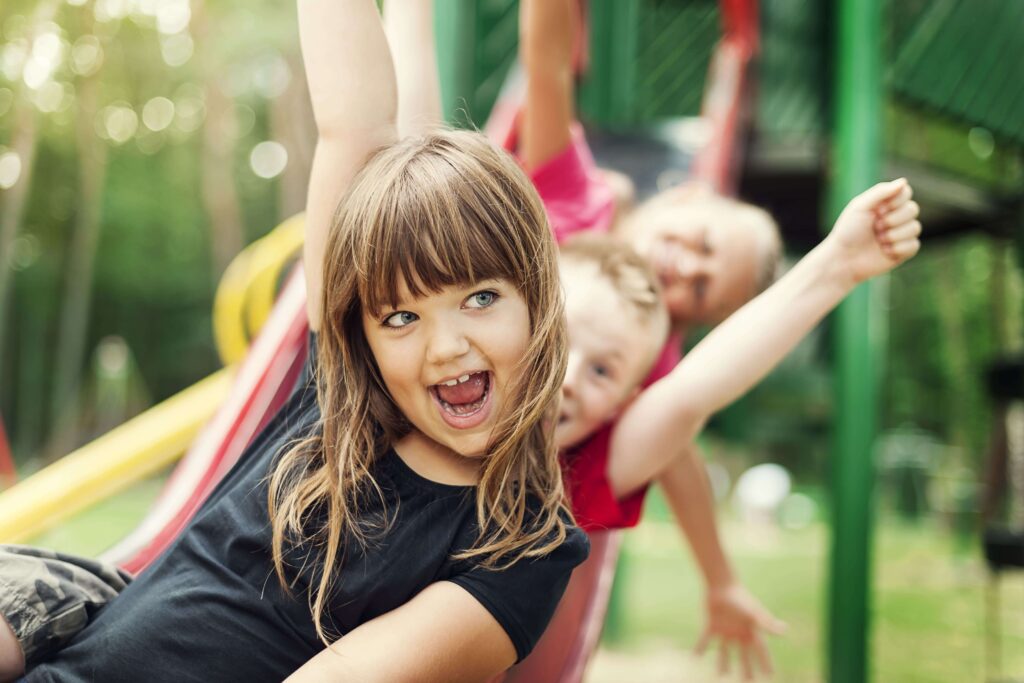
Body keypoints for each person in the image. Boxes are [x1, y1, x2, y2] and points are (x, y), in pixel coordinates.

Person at [0, 1, 589, 681]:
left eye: (480, 298)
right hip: (76, 637)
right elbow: (355, 121)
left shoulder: (523, 548)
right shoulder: (340, 401)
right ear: (362, 330)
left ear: (537, 301)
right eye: (401, 316)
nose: (445, 346)